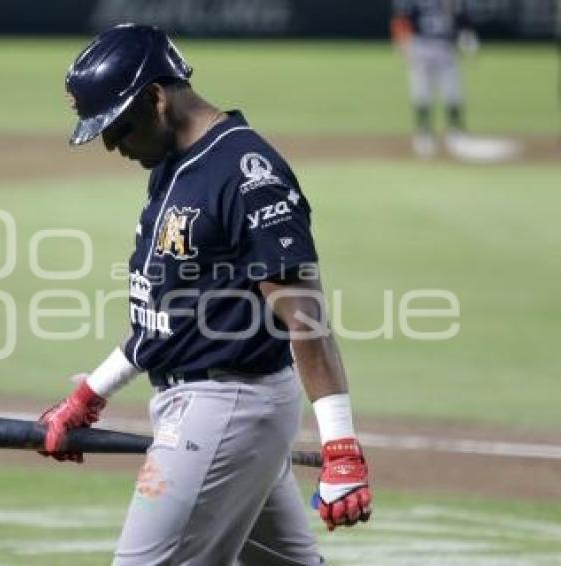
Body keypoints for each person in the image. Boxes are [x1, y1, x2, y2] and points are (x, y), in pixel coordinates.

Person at [37, 24, 372, 565]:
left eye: (117, 127)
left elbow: (304, 317)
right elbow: (168, 320)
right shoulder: (172, 168)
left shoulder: (245, 172)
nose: (110, 144)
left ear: (154, 98)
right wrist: (88, 397)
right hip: (209, 409)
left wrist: (341, 448)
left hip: (226, 411)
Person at [391, 0, 479, 158]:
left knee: (453, 93)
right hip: (421, 48)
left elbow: (461, 20)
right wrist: (402, 44)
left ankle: (455, 133)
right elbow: (401, 20)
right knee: (422, 93)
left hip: (445, 49)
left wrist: (467, 37)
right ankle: (424, 134)